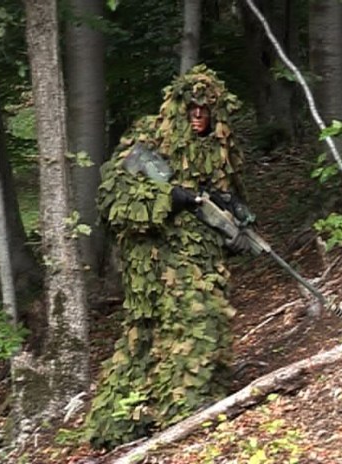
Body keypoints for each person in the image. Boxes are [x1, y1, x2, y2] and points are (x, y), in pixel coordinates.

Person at [87, 65, 251, 448]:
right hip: (157, 258)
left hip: (203, 258)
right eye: (191, 108)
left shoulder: (220, 147)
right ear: (179, 108)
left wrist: (236, 217)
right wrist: (170, 198)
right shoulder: (149, 137)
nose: (198, 116)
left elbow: (229, 195)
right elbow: (113, 198)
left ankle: (140, 418)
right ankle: (185, 417)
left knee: (164, 339)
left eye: (205, 110)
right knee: (190, 324)